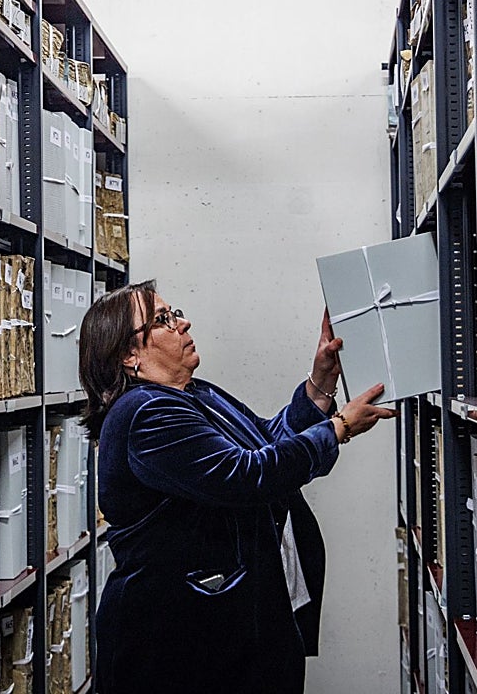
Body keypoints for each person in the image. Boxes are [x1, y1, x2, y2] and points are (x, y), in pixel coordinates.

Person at [79, 280, 396, 694]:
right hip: (177, 641)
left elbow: (265, 440)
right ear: (128, 355)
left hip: (230, 624)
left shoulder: (193, 393)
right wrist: (338, 429)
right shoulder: (145, 413)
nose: (182, 322)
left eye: (174, 313)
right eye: (163, 320)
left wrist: (320, 384)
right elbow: (246, 475)